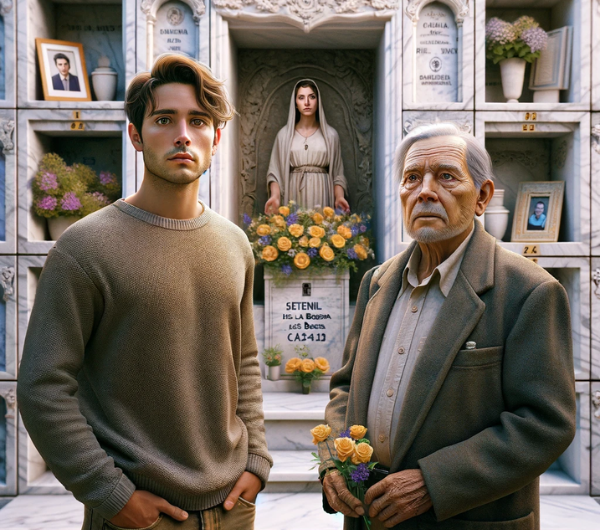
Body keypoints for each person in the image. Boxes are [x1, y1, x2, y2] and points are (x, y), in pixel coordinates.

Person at [18, 54, 272, 530]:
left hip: (233, 508)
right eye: (164, 119)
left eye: (198, 121)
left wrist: (255, 459)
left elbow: (244, 361)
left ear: (216, 138)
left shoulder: (235, 244)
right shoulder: (84, 247)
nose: (183, 134)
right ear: (136, 135)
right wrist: (111, 494)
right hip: (137, 515)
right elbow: (42, 387)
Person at [319, 123, 576, 530]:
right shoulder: (376, 283)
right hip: (370, 517)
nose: (424, 190)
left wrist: (432, 483)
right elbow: (346, 387)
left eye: (445, 176)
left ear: (483, 196)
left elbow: (544, 423)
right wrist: (334, 458)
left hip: (467, 518)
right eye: (411, 177)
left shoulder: (529, 291)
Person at [264, 79, 350, 214]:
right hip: (293, 192)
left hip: (321, 193)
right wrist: (275, 196)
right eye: (301, 97)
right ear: (295, 103)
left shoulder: (331, 135)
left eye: (312, 97)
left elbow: (338, 174)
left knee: (321, 230)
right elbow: (275, 172)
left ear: (318, 101)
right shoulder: (284, 135)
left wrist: (339, 197)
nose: (307, 102)